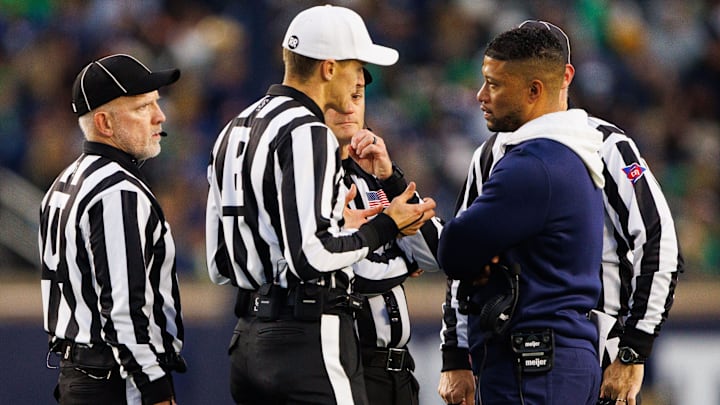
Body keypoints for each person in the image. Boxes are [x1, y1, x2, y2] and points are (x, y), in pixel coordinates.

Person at [438, 21, 683, 405]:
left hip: (591, 353)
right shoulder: (489, 154)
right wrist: (455, 356)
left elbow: (658, 242)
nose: (481, 95)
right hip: (511, 350)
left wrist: (633, 349)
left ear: (563, 76)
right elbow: (462, 265)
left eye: (495, 83)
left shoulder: (607, 145)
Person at [204, 5, 437, 405]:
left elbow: (219, 262)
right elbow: (311, 254)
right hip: (307, 336)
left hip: (247, 338)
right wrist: (385, 228)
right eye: (355, 67)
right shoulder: (308, 130)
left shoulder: (236, 127)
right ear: (329, 68)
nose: (359, 81)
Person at [437, 25, 606, 405]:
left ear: (534, 90)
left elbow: (454, 250)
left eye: (493, 85)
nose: (480, 96)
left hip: (533, 367)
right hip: (557, 361)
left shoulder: (534, 164)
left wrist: (476, 264)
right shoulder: (571, 152)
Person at [39, 54, 185, 405]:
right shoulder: (117, 191)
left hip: (80, 373)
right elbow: (124, 312)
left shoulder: (63, 183)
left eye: (156, 103)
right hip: (116, 382)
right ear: (104, 123)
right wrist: (157, 390)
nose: (159, 116)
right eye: (142, 107)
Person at [325, 68, 443, 405]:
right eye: (340, 94)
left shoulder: (371, 175)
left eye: (358, 94)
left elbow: (437, 254)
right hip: (348, 368)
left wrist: (391, 178)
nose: (349, 106)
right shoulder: (314, 178)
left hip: (398, 372)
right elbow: (350, 272)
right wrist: (404, 256)